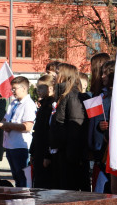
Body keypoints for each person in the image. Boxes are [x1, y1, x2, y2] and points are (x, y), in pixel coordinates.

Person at [49, 62, 88, 191]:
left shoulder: (73, 97)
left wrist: (72, 156)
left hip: (70, 156)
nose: (54, 75)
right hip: (61, 152)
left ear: (66, 75)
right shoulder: (63, 96)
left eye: (57, 72)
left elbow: (75, 126)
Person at [0, 76, 36, 188]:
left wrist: (9, 125)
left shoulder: (28, 104)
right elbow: (5, 119)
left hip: (20, 146)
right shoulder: (13, 103)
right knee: (16, 177)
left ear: (24, 88)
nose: (12, 91)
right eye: (12, 89)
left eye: (15, 89)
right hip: (10, 145)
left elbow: (27, 127)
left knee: (24, 179)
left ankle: (25, 202)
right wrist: (4, 124)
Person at [31, 74, 57, 190]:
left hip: (45, 151)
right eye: (37, 87)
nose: (38, 90)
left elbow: (49, 131)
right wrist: (32, 151)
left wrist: (48, 156)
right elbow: (37, 131)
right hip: (38, 150)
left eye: (41, 87)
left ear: (50, 88)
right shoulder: (43, 104)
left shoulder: (51, 105)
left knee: (44, 185)